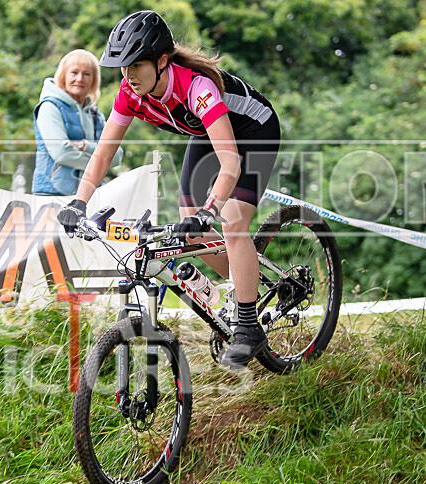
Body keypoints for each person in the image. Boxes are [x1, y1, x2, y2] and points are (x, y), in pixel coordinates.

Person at [57, 11, 281, 368]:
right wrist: (78, 202)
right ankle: (247, 294)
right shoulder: (130, 93)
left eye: (136, 65)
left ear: (162, 61)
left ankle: (249, 327)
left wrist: (213, 206)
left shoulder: (196, 87)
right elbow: (103, 154)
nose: (128, 76)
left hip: (253, 131)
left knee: (231, 220)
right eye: (122, 67)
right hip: (206, 132)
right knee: (188, 227)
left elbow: (231, 165)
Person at [32, 49, 123, 195]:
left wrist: (84, 146)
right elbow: (61, 153)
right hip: (52, 195)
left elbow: (116, 155)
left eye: (87, 74)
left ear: (94, 80)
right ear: (63, 76)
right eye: (74, 72)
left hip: (89, 196)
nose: (80, 79)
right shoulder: (49, 107)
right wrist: (100, 160)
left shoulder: (95, 115)